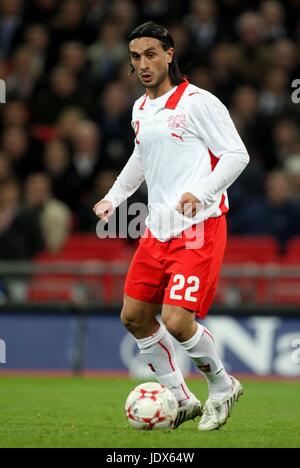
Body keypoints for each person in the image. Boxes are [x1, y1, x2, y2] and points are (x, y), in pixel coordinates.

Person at [93, 21, 249, 431]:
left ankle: (222, 385)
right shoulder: (140, 109)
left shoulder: (199, 102)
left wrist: (202, 190)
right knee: (133, 316)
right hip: (157, 229)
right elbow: (141, 159)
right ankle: (180, 399)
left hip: (199, 226)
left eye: (150, 54)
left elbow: (236, 155)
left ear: (169, 53)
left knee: (178, 320)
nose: (142, 64)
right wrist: (114, 197)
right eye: (135, 57)